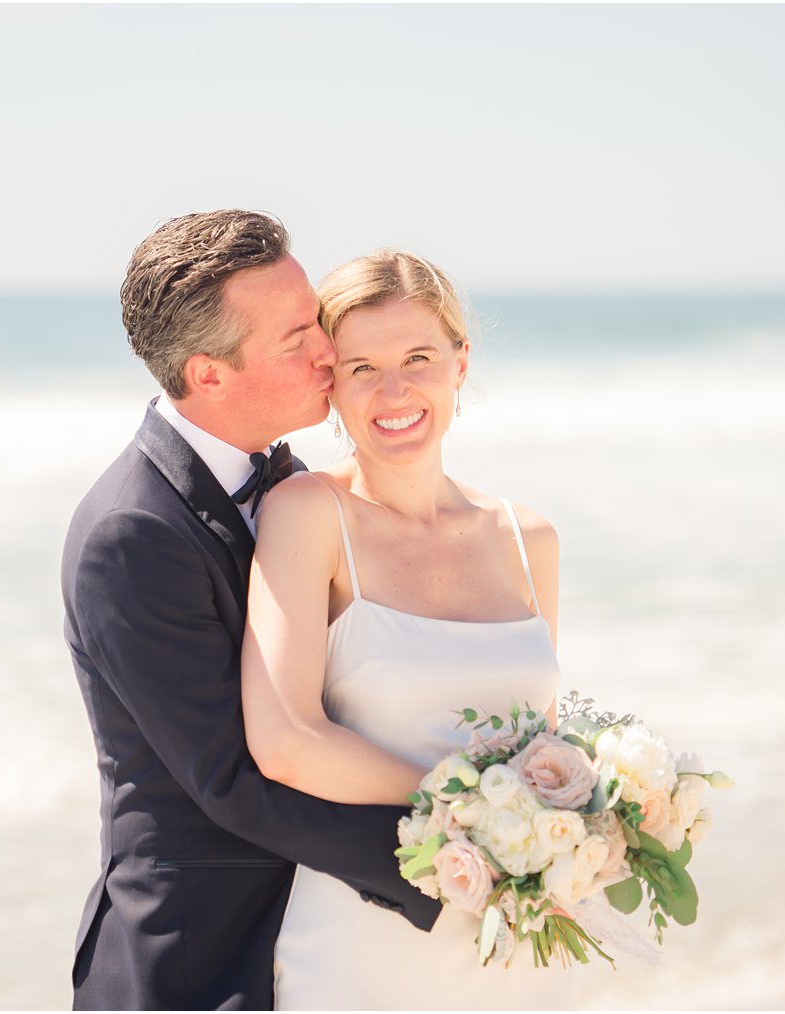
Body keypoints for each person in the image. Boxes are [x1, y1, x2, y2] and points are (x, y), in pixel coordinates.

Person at [61, 212, 440, 1011]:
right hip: (198, 958)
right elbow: (230, 778)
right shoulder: (131, 535)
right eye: (297, 336)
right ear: (209, 373)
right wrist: (452, 853)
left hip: (320, 937)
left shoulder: (290, 482)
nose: (327, 352)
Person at [241, 251, 574, 1009]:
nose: (394, 391)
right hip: (365, 937)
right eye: (362, 367)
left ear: (460, 362)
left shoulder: (531, 538)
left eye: (418, 358)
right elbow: (285, 738)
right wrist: (479, 805)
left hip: (509, 935)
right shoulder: (308, 514)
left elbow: (544, 743)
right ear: (331, 383)